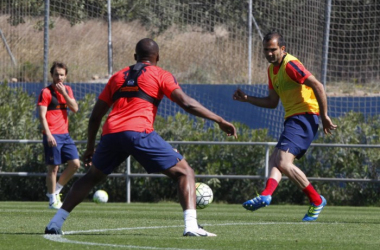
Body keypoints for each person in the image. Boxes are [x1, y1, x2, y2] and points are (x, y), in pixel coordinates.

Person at [45, 38, 237, 236]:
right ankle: (191, 227)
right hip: (138, 132)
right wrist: (218, 119)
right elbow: (186, 103)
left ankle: (55, 224)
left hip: (111, 133)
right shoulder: (160, 74)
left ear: (135, 57)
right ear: (158, 58)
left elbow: (95, 117)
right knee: (185, 172)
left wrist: (90, 148)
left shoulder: (118, 76)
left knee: (92, 177)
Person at [233, 31, 337, 221]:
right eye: (266, 50)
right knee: (275, 160)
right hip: (293, 119)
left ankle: (316, 200)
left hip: (305, 116)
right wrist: (247, 98)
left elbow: (318, 85)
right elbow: (273, 102)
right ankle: (266, 195)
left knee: (283, 161)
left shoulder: (290, 65)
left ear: (282, 49)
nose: (269, 54)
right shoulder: (271, 70)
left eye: (273, 50)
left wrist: (324, 116)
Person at [37, 61, 80, 209]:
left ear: (65, 76)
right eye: (56, 75)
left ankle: (56, 191)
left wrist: (64, 94)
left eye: (62, 75)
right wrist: (48, 135)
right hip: (52, 135)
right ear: (52, 75)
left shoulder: (67, 90)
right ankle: (52, 200)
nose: (59, 77)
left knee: (75, 164)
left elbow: (75, 108)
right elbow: (42, 116)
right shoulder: (46, 92)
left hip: (65, 135)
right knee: (53, 168)